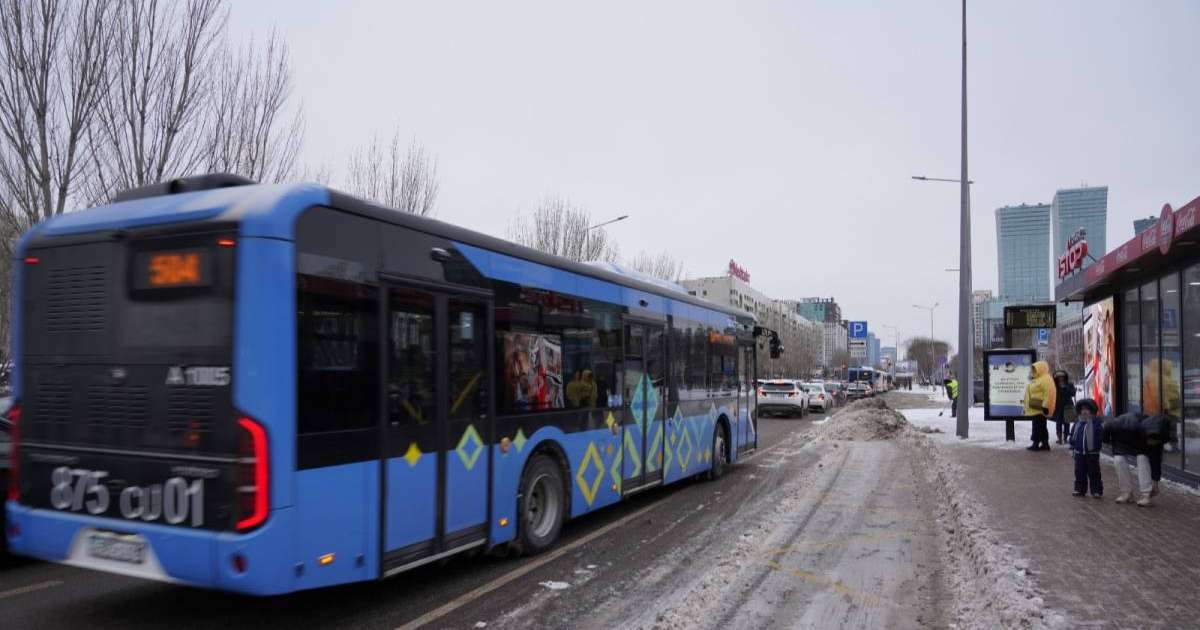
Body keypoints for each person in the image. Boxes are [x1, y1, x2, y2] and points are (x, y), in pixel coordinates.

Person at [1103, 411, 1153, 506]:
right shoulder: (1111, 425)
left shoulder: (1144, 426)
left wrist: (1155, 482)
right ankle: (1126, 492)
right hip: (1123, 440)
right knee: (1118, 460)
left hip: (1139, 439)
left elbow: (1105, 440)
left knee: (1142, 459)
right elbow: (1105, 440)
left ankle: (1146, 494)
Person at [1068, 398, 1103, 498]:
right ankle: (1080, 489)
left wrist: (1097, 447)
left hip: (1092, 453)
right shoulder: (1078, 423)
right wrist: (1072, 447)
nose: (1084, 412)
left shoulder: (1096, 423)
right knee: (1079, 472)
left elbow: (1100, 436)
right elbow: (1073, 435)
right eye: (1082, 409)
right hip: (1079, 453)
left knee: (1094, 473)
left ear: (1092, 411)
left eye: (1087, 409)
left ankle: (1096, 490)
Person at [1023, 360, 1056, 451]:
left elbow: (1049, 393)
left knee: (1037, 426)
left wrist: (1045, 406)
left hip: (1040, 408)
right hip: (1036, 407)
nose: (1033, 371)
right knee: (1041, 426)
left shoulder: (1045, 379)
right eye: (1032, 369)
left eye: (1035, 369)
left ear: (1041, 369)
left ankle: (1036, 443)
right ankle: (1045, 443)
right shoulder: (1037, 379)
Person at [1052, 370, 1077, 445]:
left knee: (1067, 422)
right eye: (1058, 377)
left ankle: (1065, 438)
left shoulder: (1069, 384)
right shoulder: (1054, 385)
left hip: (1068, 406)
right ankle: (1059, 439)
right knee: (1058, 422)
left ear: (1065, 377)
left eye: (1062, 377)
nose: (1060, 378)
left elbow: (1073, 393)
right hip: (1058, 407)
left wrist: (1066, 388)